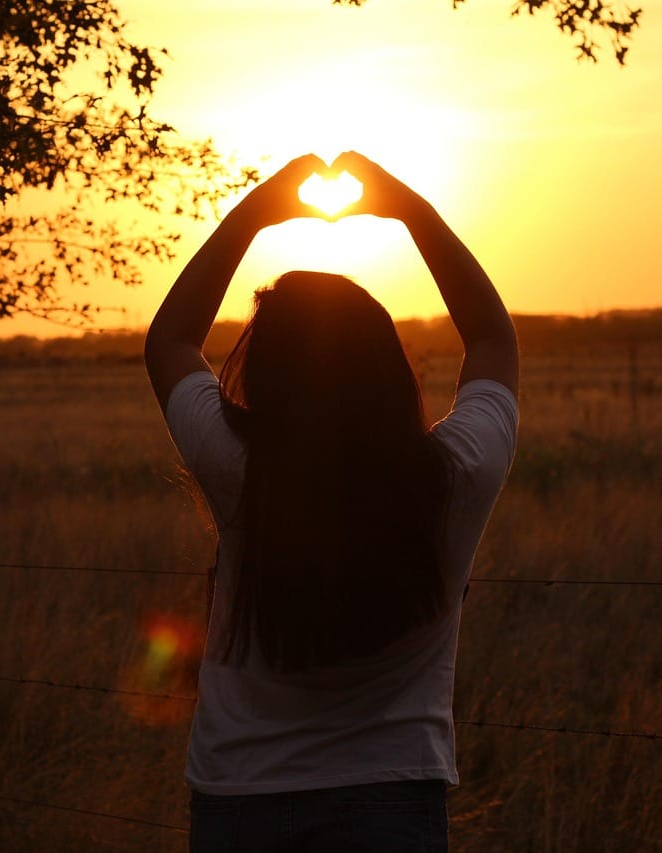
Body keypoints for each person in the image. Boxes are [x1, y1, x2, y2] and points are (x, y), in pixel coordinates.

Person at [144, 151, 519, 853]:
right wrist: (411, 210)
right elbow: (494, 339)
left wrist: (257, 212)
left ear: (268, 374)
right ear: (388, 365)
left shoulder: (240, 469)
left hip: (239, 799)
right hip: (392, 802)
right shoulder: (453, 477)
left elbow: (170, 340)